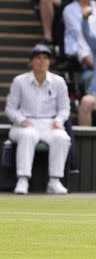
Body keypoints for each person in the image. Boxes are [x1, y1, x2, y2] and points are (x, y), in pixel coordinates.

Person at [6, 44, 70, 195]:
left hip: (49, 124)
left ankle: (54, 180)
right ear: (31, 62)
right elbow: (10, 108)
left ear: (49, 62)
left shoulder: (59, 82)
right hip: (25, 124)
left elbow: (64, 108)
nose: (42, 61)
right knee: (28, 135)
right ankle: (23, 179)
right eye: (38, 58)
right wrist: (21, 120)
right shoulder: (19, 81)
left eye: (45, 58)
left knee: (62, 137)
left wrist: (59, 121)